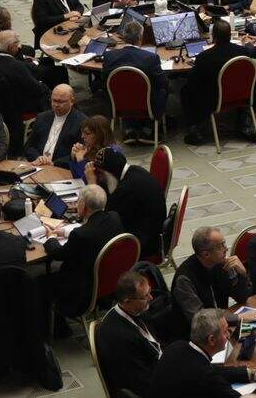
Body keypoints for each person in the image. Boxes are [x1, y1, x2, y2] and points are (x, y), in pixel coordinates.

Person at [145, 309, 256, 398]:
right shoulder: (204, 377)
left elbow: (210, 369)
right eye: (225, 331)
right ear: (211, 340)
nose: (229, 335)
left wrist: (251, 374)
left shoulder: (178, 346)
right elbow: (206, 374)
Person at [43, 184, 124, 324]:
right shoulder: (114, 218)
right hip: (107, 282)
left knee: (39, 283)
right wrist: (65, 231)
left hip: (80, 291)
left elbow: (58, 254)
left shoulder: (81, 235)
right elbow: (95, 231)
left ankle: (58, 328)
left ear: (83, 205)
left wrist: (50, 237)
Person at [93, 272, 166, 393]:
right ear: (127, 301)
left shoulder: (138, 311)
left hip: (156, 367)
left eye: (149, 292)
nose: (151, 298)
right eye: (145, 296)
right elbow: (140, 382)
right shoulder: (118, 337)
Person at [171, 225, 253, 325]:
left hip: (222, 324)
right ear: (206, 254)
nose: (226, 249)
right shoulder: (184, 279)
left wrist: (242, 274)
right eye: (221, 246)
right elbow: (199, 318)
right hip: (196, 331)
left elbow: (242, 297)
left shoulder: (222, 264)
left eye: (224, 243)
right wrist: (238, 318)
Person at [93, 147, 167, 258]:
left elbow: (104, 220)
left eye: (100, 174)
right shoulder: (135, 171)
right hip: (150, 233)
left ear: (109, 174)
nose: (100, 179)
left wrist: (92, 185)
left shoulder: (126, 189)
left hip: (141, 246)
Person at [101, 20, 169, 119]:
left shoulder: (109, 56)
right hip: (147, 106)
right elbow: (162, 83)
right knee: (164, 89)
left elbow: (104, 82)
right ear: (140, 37)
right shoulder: (151, 58)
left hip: (118, 104)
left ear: (123, 36)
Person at [26, 84, 86, 166]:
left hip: (62, 168)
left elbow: (81, 153)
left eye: (60, 102)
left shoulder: (82, 122)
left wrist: (54, 163)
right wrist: (38, 158)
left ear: (72, 101)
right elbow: (29, 147)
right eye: (54, 101)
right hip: (39, 165)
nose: (56, 105)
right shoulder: (42, 117)